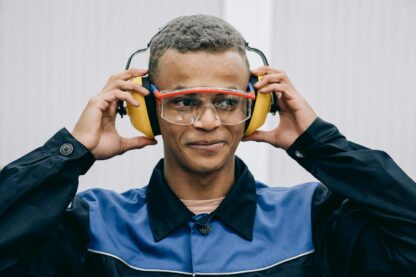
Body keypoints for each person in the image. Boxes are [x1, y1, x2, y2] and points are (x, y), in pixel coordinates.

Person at [0, 14, 415, 277]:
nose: (208, 122)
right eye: (183, 102)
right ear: (145, 108)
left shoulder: (316, 220)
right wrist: (72, 151)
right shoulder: (92, 225)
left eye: (227, 101)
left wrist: (318, 142)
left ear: (255, 107)